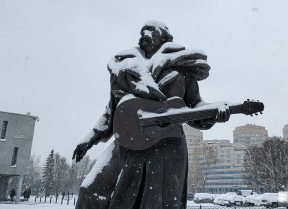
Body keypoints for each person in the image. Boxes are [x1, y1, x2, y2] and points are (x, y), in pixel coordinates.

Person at [73, 20, 230, 209]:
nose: (144, 34)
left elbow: (195, 104)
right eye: (142, 31)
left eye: (150, 30)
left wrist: (214, 112)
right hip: (127, 142)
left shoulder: (181, 69)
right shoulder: (124, 68)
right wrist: (89, 139)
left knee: (156, 203)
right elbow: (112, 111)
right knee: (91, 190)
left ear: (164, 38)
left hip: (166, 146)